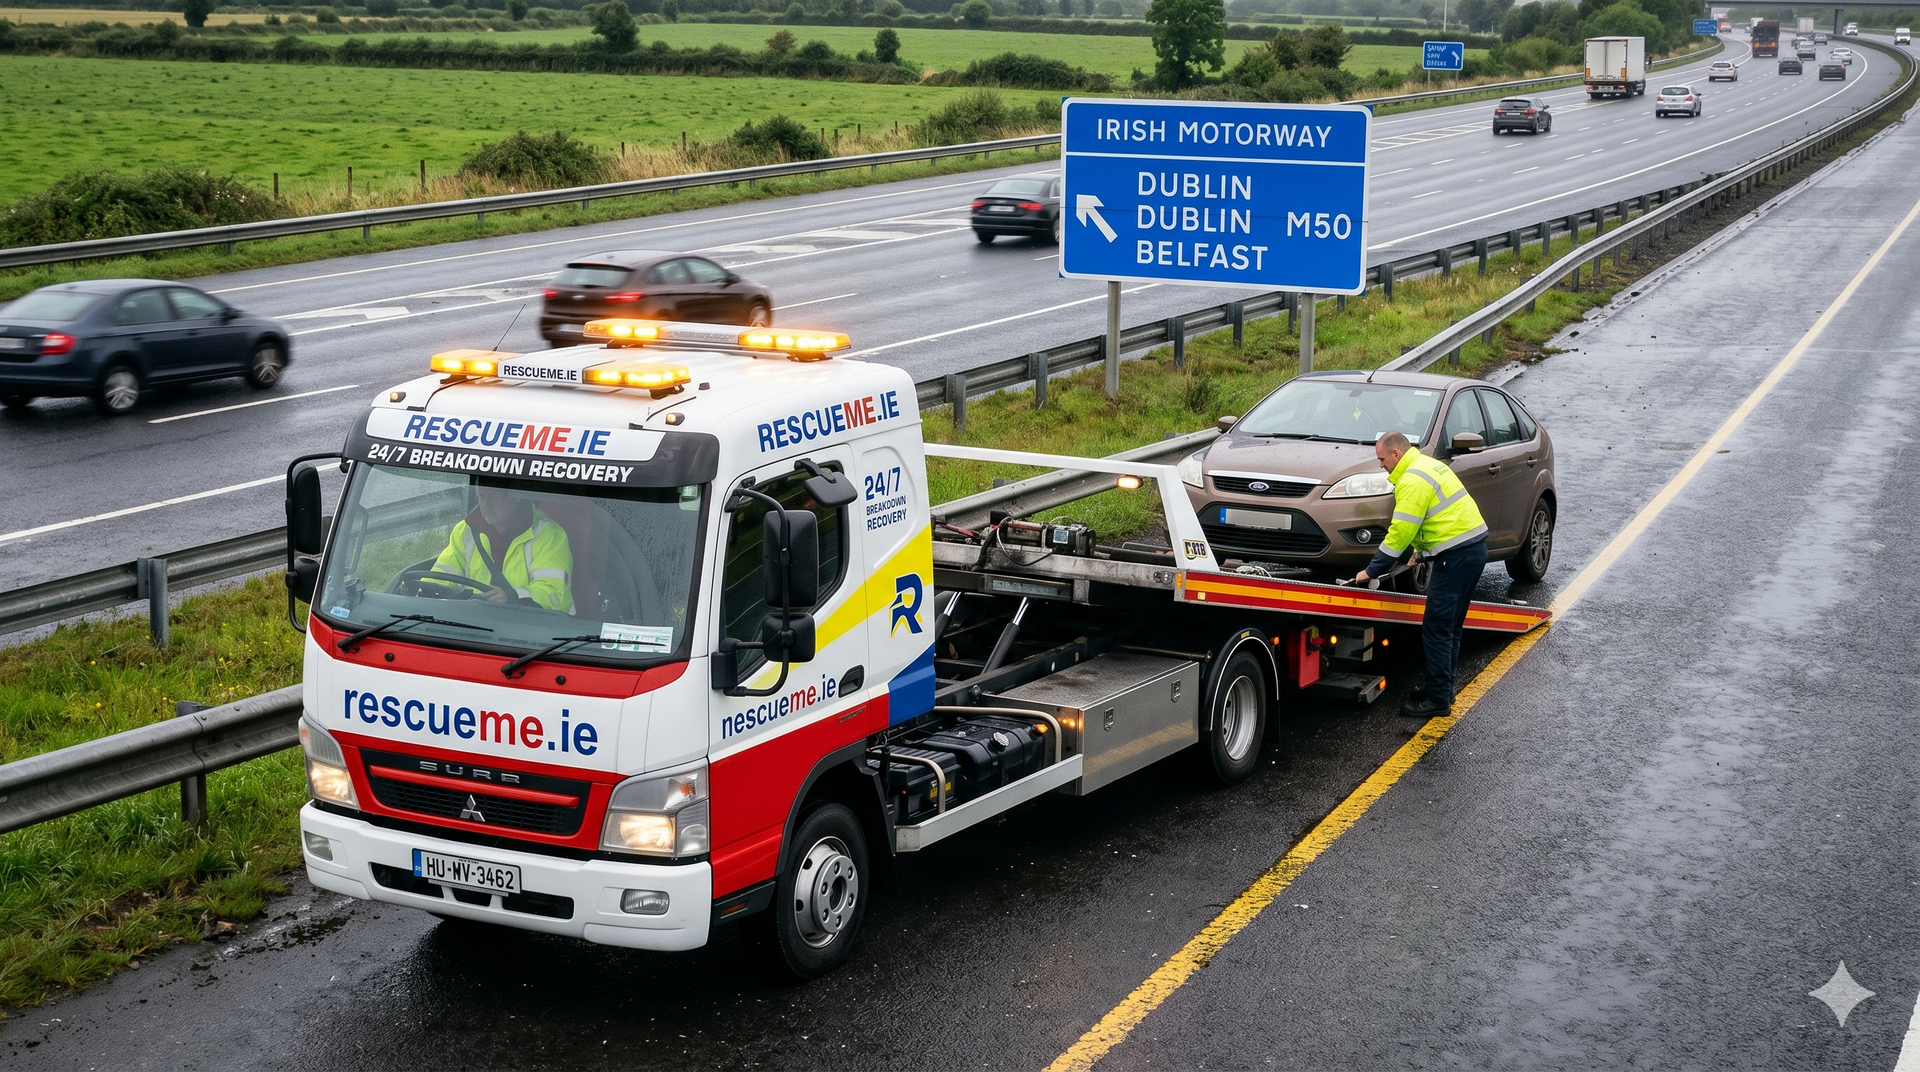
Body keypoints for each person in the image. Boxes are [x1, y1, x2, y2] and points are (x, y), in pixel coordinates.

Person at [1352, 430, 1488, 718]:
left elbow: (1400, 533)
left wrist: (1371, 571)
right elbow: (1436, 518)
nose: (1380, 465)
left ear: (1396, 454)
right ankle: (1443, 689)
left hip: (1456, 558)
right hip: (1471, 552)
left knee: (1437, 628)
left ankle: (1438, 700)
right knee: (1450, 627)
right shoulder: (1427, 464)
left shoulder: (1412, 480)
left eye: (1381, 459)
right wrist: (1422, 552)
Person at [431, 484, 575, 613]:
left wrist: (512, 597)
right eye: (481, 497)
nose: (485, 506)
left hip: (533, 632)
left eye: (493, 498)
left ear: (517, 497)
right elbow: (444, 573)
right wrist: (423, 588)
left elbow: (554, 594)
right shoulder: (466, 530)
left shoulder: (549, 535)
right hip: (473, 623)